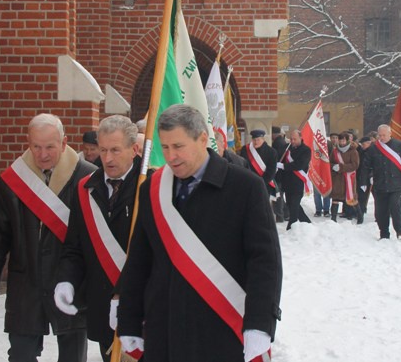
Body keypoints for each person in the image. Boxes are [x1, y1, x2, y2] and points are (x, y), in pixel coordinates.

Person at [117, 104, 282, 362]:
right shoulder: (152, 190)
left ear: (203, 139)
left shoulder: (246, 187)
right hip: (164, 330)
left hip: (220, 328)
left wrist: (260, 322)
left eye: (179, 146)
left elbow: (264, 262)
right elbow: (139, 260)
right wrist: (128, 318)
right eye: (166, 147)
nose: (171, 157)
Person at [0, 113, 96, 362]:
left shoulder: (88, 178)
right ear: (28, 143)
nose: (42, 154)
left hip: (72, 281)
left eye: (50, 147)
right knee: (20, 355)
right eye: (36, 147)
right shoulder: (11, 181)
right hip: (26, 282)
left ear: (63, 144)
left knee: (73, 356)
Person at [54, 115, 142, 362]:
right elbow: (74, 247)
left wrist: (126, 292)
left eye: (116, 150)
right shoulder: (85, 189)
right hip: (103, 306)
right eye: (103, 150)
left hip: (143, 309)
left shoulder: (151, 186)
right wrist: (67, 280)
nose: (108, 158)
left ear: (134, 149)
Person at [360, 124, 401, 240]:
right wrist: (363, 181)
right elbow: (365, 166)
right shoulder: (373, 148)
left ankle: (399, 230)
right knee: (380, 212)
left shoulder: (400, 146)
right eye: (379, 135)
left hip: (395, 184)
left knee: (395, 208)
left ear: (390, 134)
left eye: (384, 135)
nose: (381, 137)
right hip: (379, 184)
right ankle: (384, 233)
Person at [279, 129, 312, 228]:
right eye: (291, 139)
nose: (292, 141)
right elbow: (279, 157)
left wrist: (284, 166)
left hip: (298, 181)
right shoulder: (287, 148)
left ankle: (291, 226)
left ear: (301, 138)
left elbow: (299, 165)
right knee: (290, 204)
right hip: (287, 181)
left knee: (294, 204)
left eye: (295, 139)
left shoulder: (306, 150)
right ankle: (306, 222)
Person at [330, 132, 363, 224]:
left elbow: (355, 165)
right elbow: (330, 162)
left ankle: (360, 216)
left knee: (352, 198)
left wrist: (341, 167)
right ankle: (333, 219)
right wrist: (333, 166)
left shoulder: (353, 151)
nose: (342, 142)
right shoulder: (335, 151)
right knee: (335, 198)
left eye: (344, 140)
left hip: (349, 178)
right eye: (340, 140)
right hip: (337, 179)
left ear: (347, 140)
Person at [240, 128, 278, 199]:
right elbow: (242, 166)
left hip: (264, 185)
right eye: (254, 140)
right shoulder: (245, 150)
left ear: (263, 139)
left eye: (258, 140)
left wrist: (260, 183)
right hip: (249, 184)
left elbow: (271, 172)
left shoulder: (272, 152)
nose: (256, 142)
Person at [271, 126, 289, 222]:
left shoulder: (278, 143)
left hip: (279, 174)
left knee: (278, 195)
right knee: (279, 195)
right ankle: (285, 213)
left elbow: (276, 157)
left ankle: (281, 215)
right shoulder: (281, 142)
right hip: (281, 174)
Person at [356, 136, 373, 215]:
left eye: (364, 144)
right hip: (361, 175)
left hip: (369, 177)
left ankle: (362, 210)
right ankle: (360, 210)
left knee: (364, 196)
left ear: (369, 143)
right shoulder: (361, 151)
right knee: (360, 195)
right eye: (361, 144)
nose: (362, 146)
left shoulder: (373, 152)